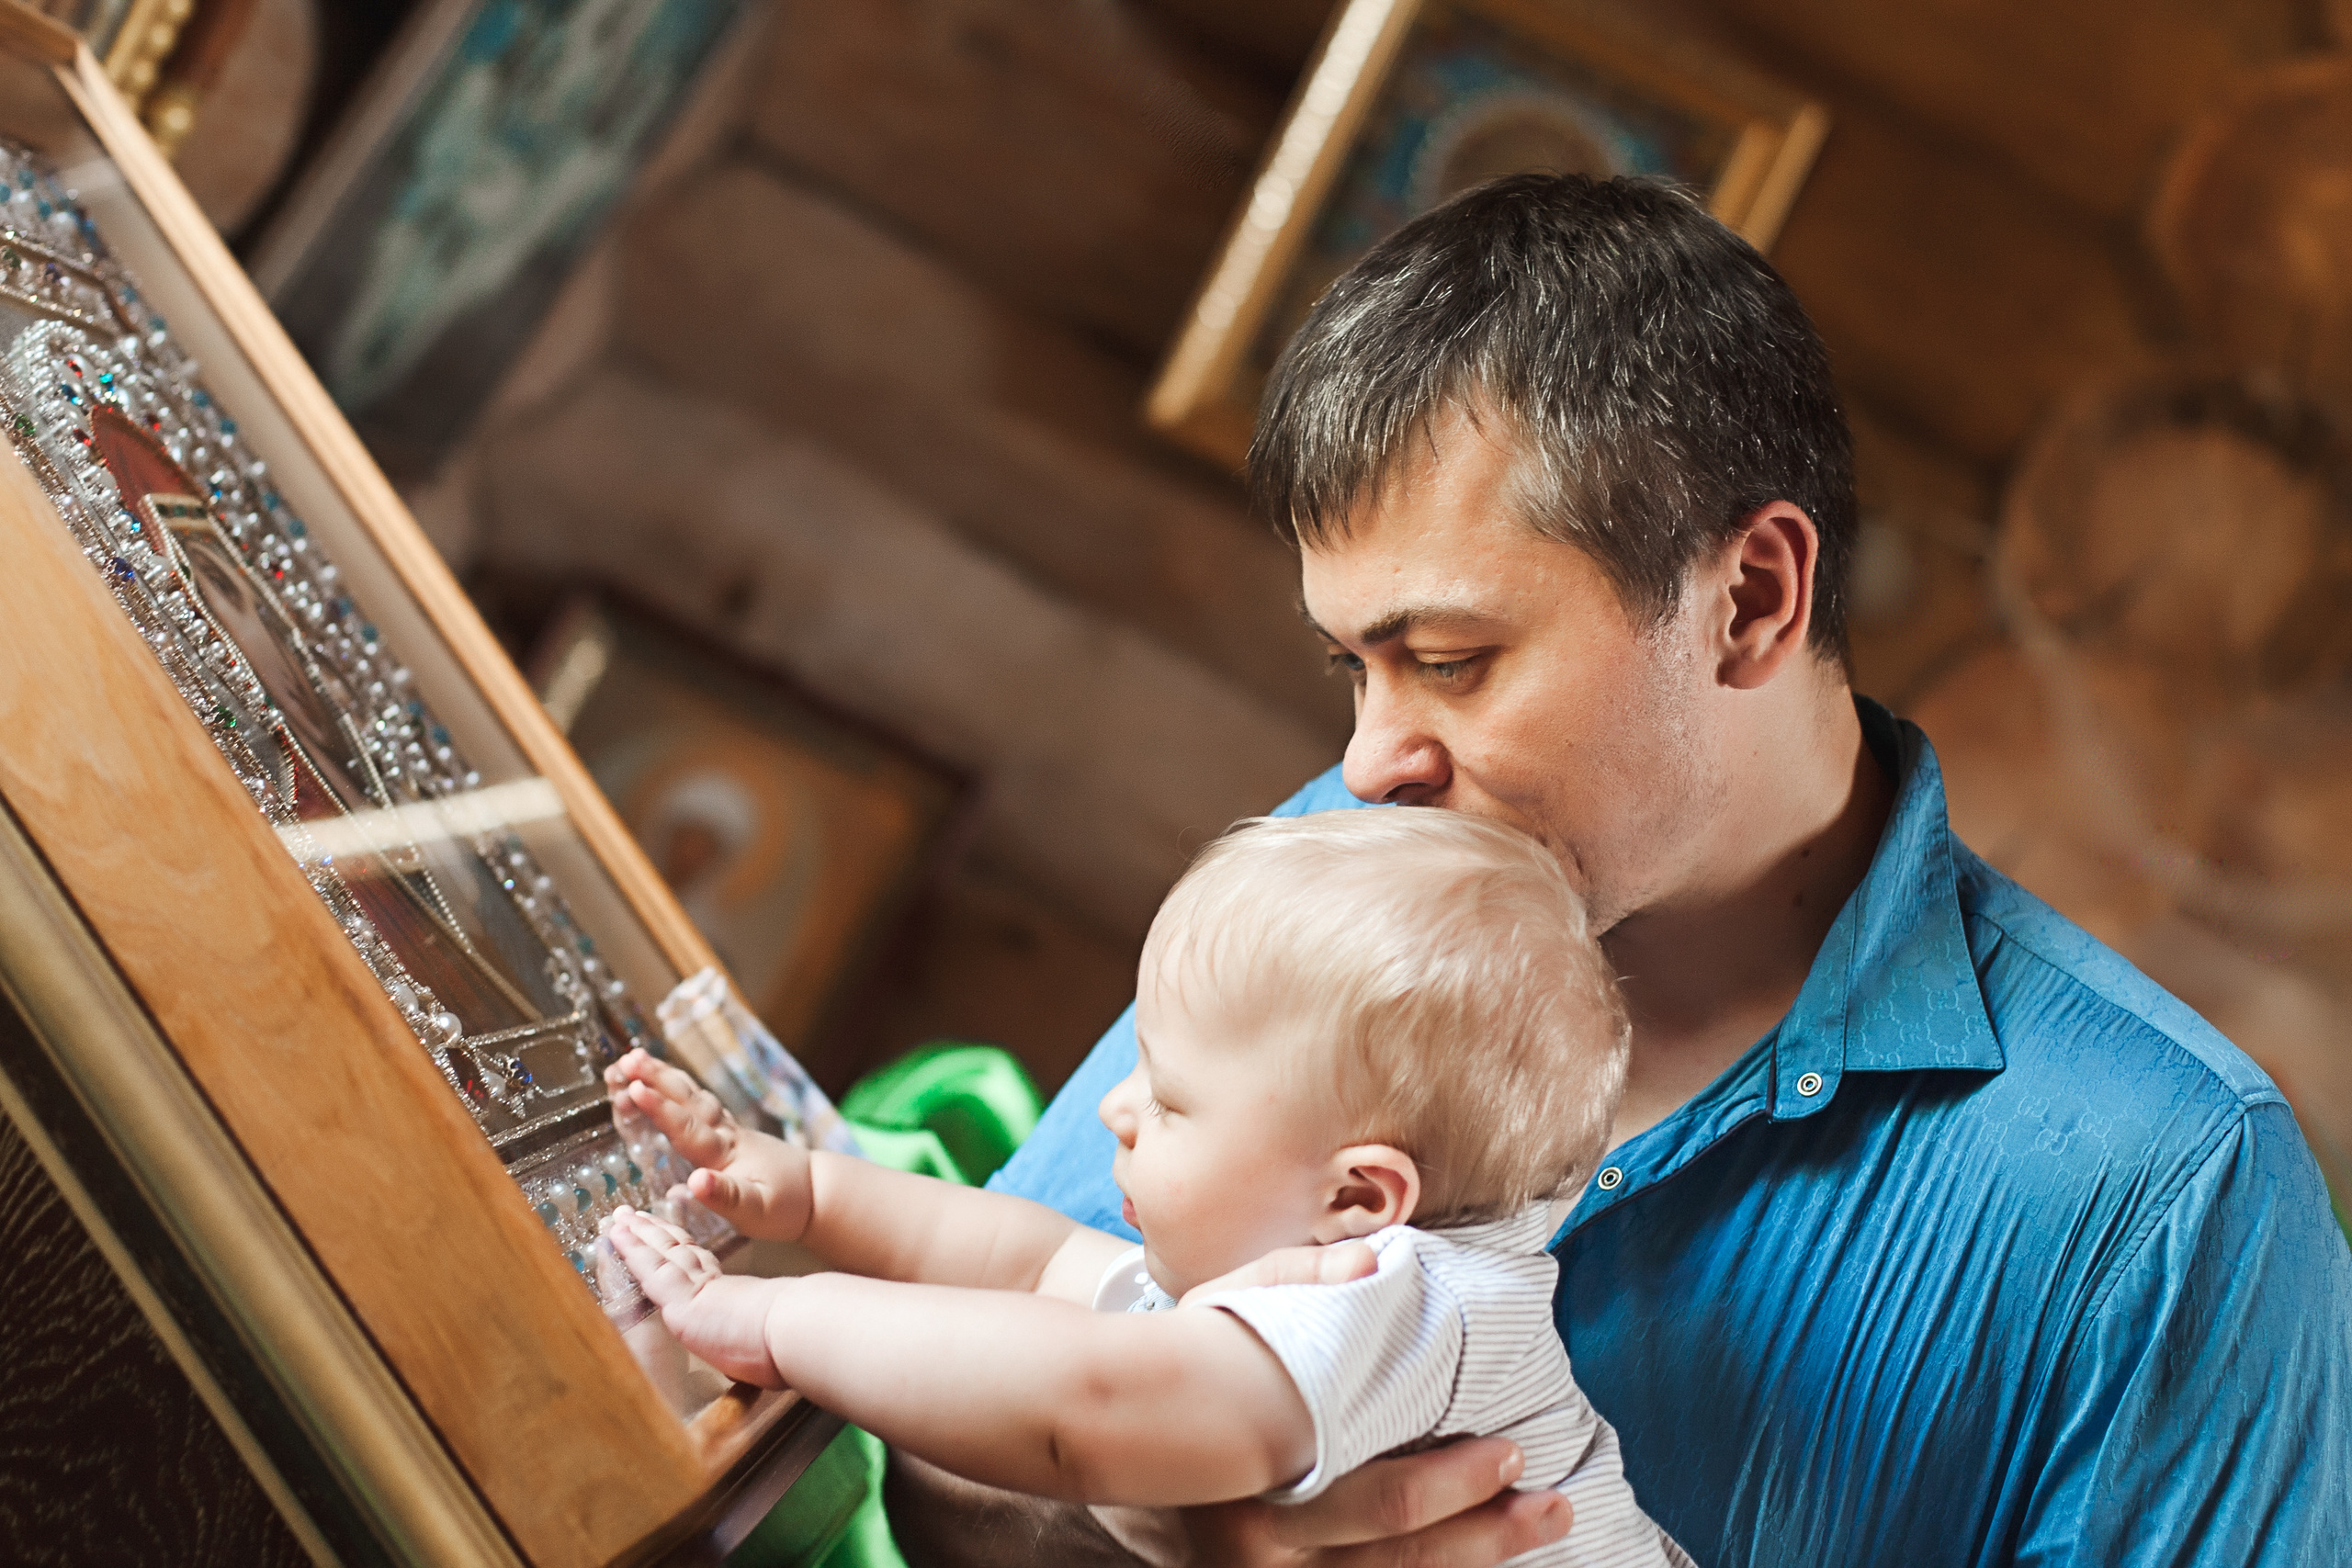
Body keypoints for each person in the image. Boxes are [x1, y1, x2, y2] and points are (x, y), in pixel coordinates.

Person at [933, 174, 2347, 1566]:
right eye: (1352, 669)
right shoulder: (1333, 877)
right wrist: (1139, 1514)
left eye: (1448, 661)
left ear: (1751, 599)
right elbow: (937, 1448)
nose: (1370, 762)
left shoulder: (2174, 1192)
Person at [605, 810, 1690, 1567]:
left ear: (1359, 1196)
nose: (1114, 1113)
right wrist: (806, 1193)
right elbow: (1030, 1263)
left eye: (1170, 1101)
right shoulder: (1313, 1277)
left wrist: (764, 1319)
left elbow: (1087, 1405)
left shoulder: (1408, 1305)